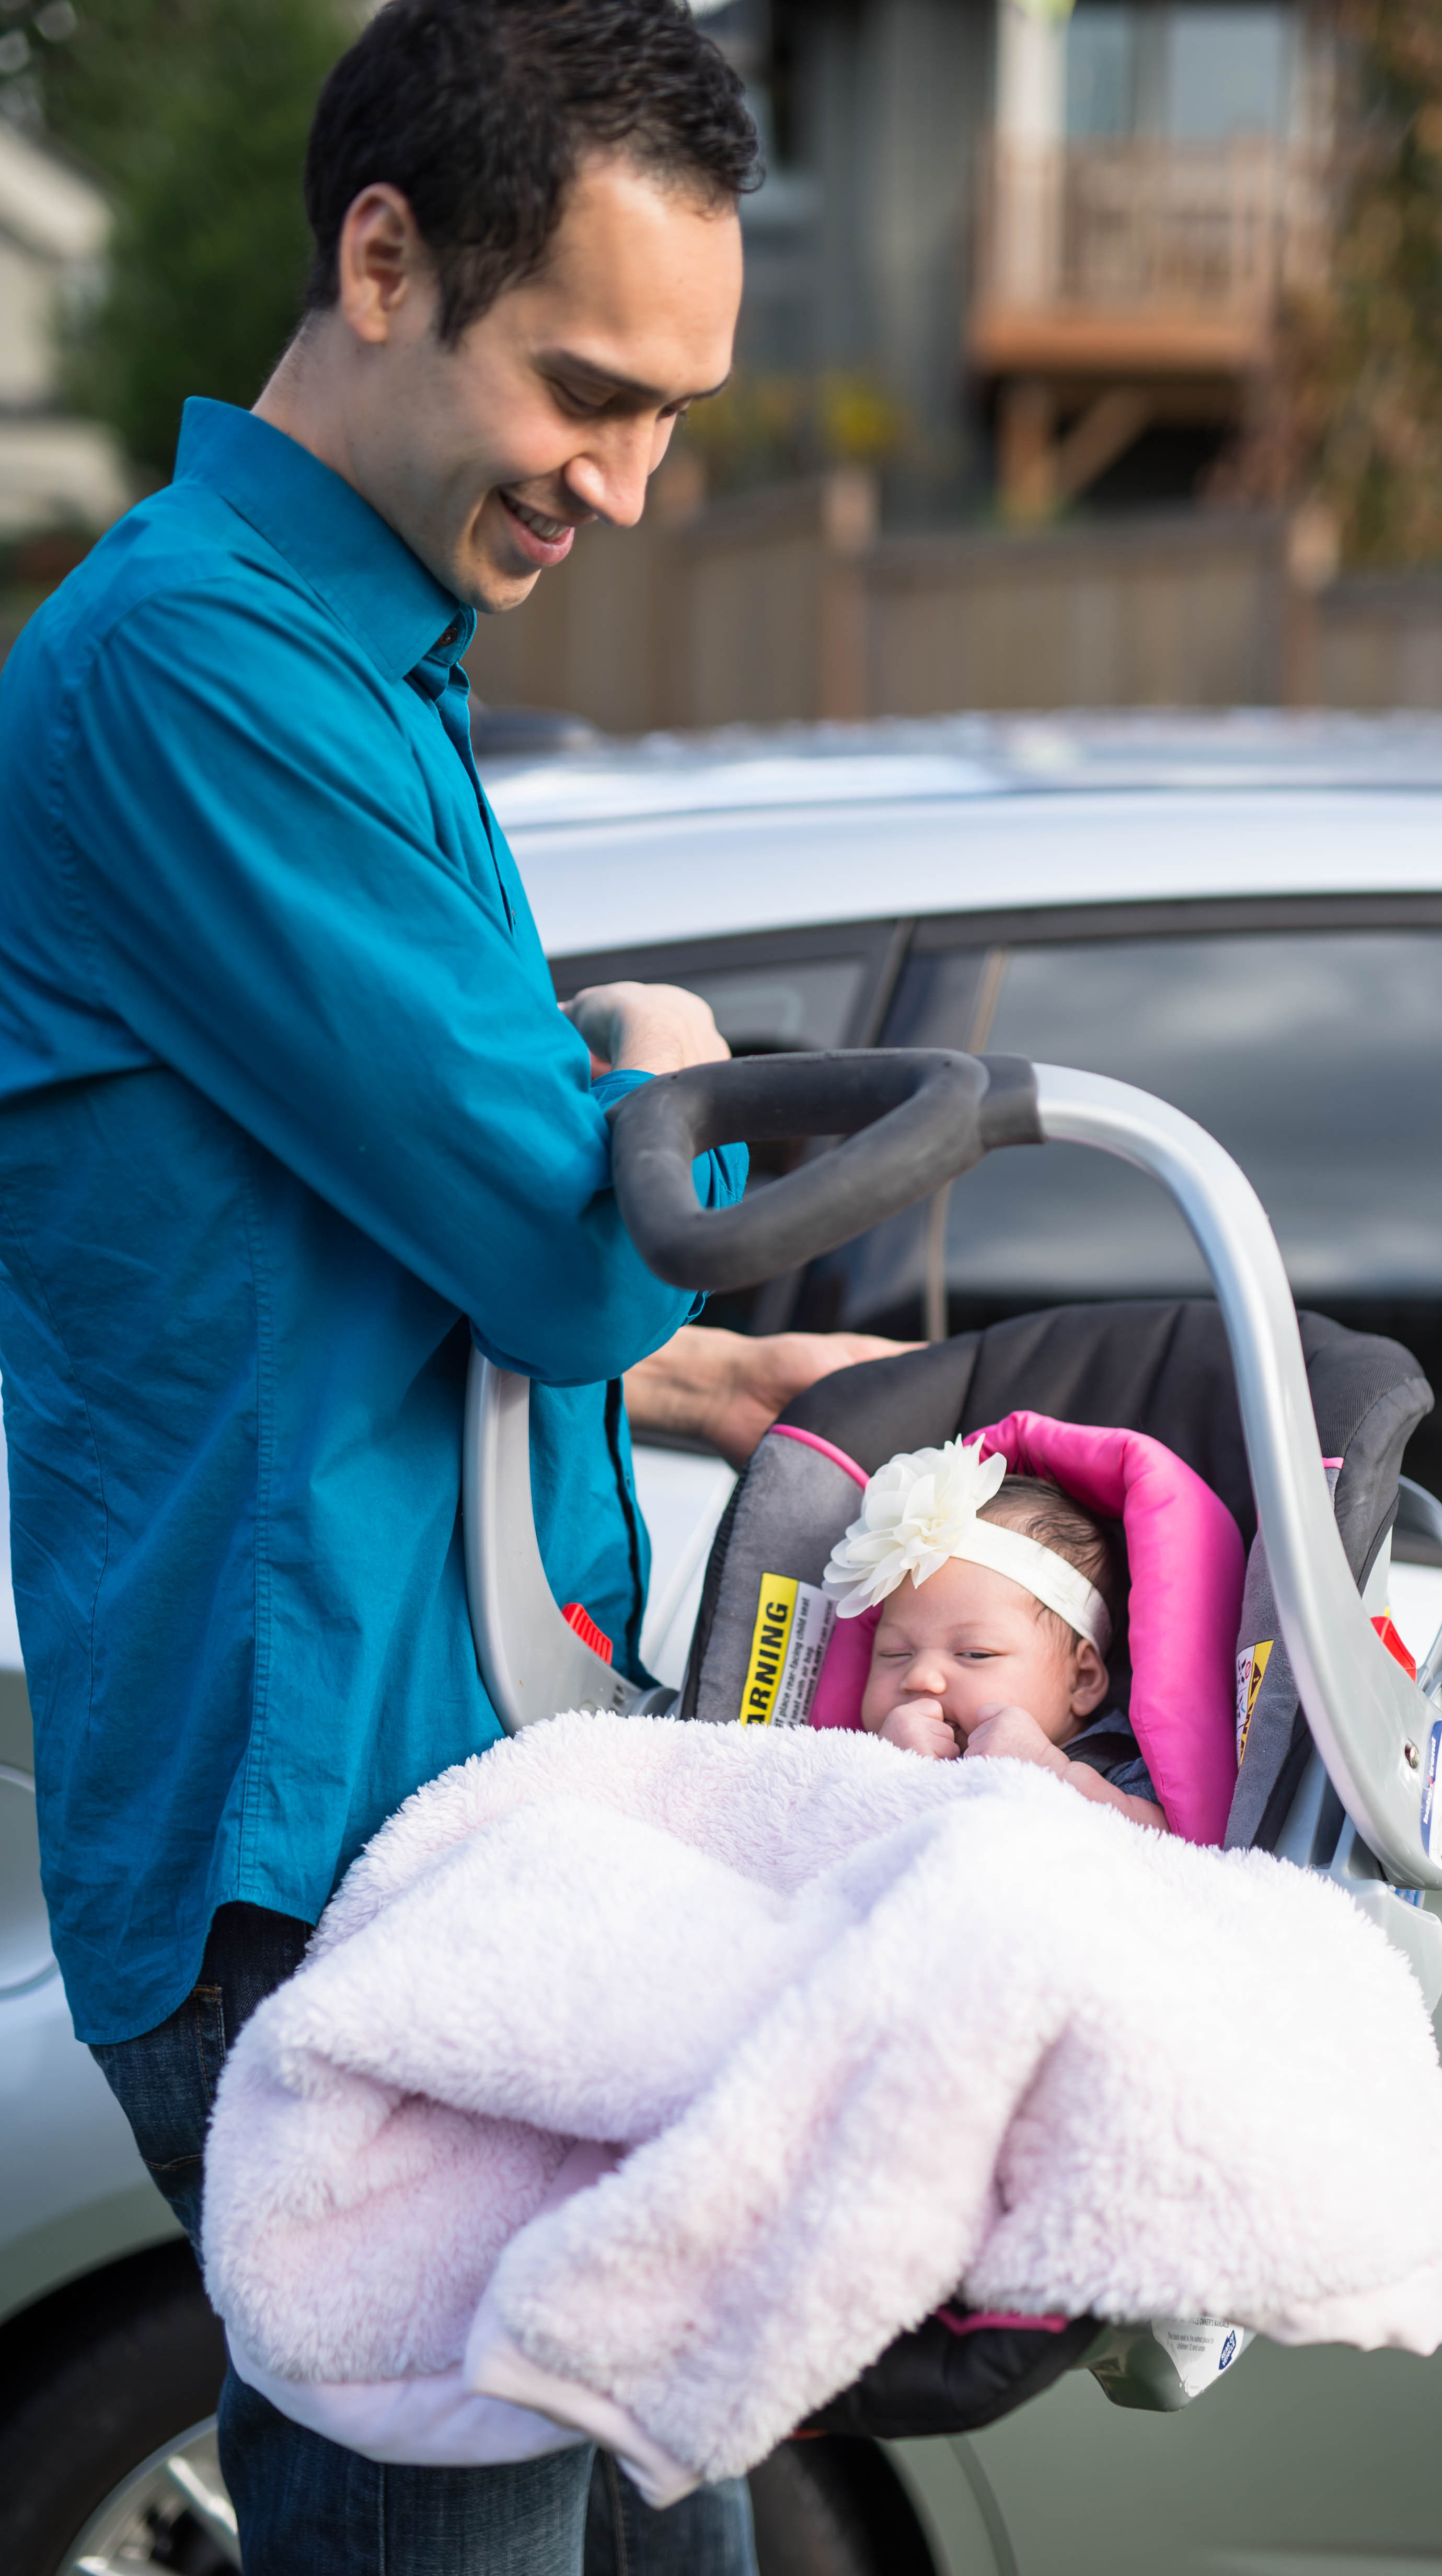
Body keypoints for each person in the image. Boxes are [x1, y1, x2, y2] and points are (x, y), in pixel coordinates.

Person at [0, 2, 893, 2566]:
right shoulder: (199, 667)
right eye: (589, 390)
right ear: (382, 259)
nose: (624, 480)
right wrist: (668, 1057)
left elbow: (407, 1253)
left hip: (475, 1820)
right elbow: (548, 1229)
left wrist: (699, 1354)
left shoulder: (359, 653)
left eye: (674, 420)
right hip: (335, 1871)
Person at [826, 1442, 1169, 1829]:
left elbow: (1161, 1851)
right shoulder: (856, 1757)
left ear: (1082, 1679)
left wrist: (1051, 1771)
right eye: (895, 1654)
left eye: (975, 1654)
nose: (920, 1677)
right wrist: (887, 1772)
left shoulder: (1120, 1767)